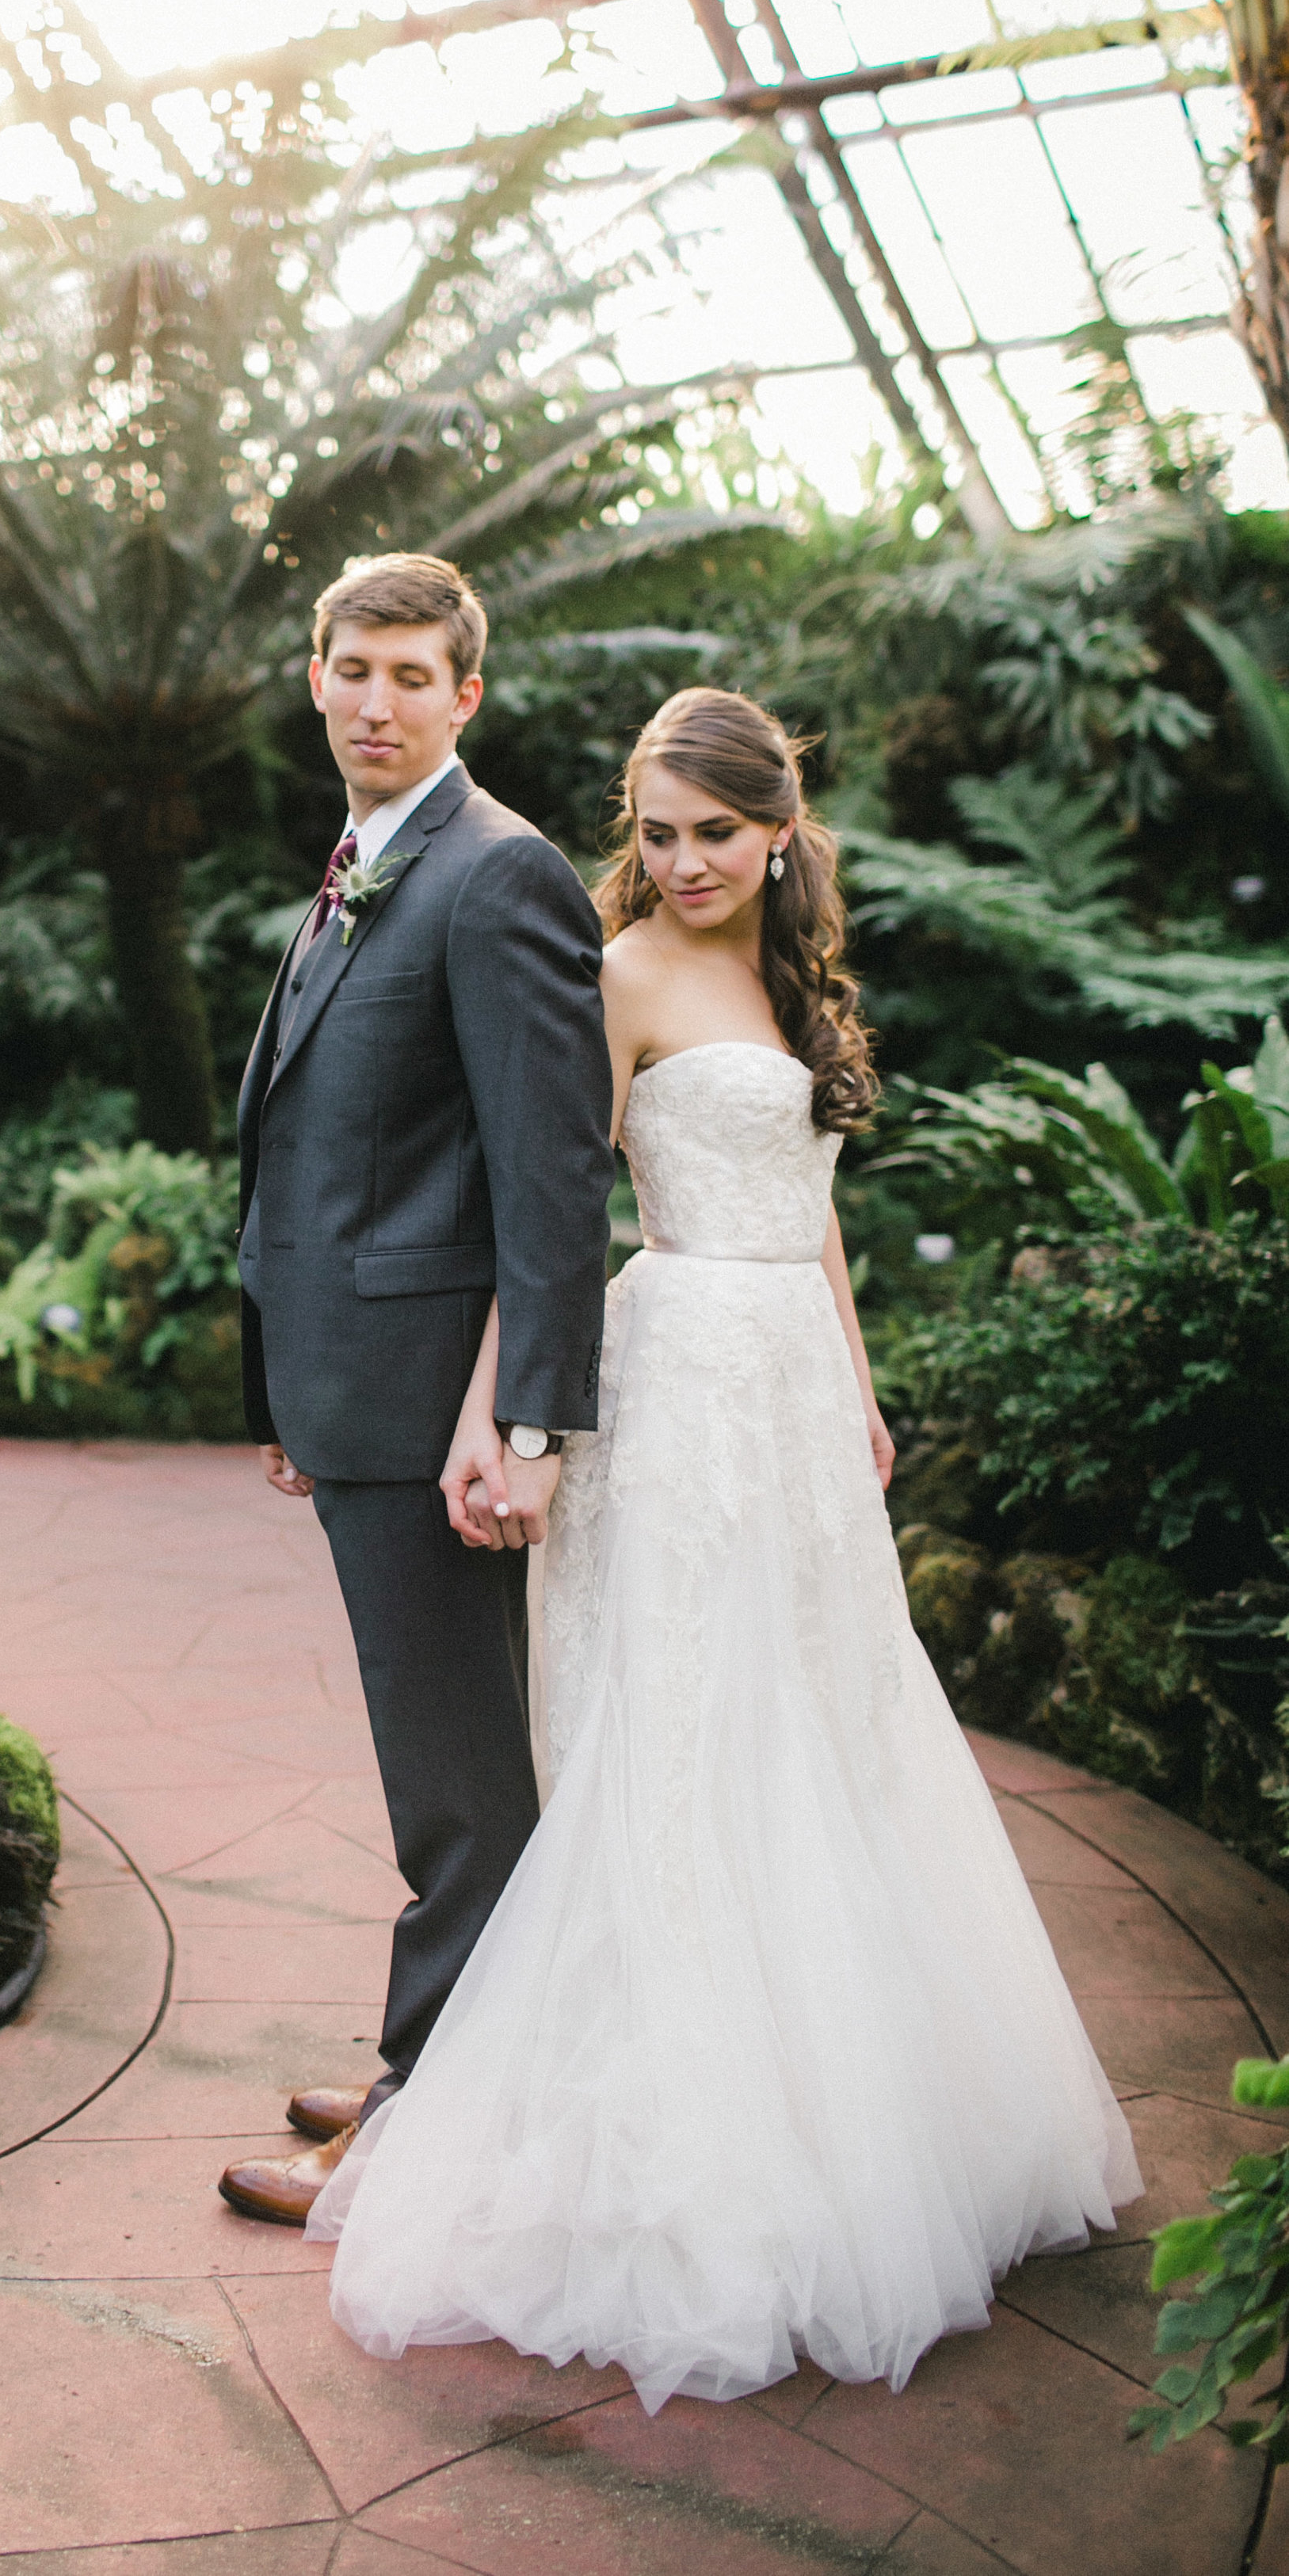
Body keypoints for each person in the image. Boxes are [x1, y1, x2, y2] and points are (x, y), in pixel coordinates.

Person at [307, 684, 1142, 2401]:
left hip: (790, 1396)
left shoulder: (800, 984)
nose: (680, 863)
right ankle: (655, 2133)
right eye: (656, 832)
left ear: (777, 831)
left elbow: (818, 1222)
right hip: (671, 1376)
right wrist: (498, 1416)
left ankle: (863, 2110)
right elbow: (537, 1199)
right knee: (678, 1738)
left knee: (826, 1723)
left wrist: (857, 1379)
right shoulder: (612, 974)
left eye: (711, 833)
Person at [216, 552, 616, 2227]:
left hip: (441, 1420)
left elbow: (549, 1179)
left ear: (467, 693)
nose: (374, 702)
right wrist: (291, 1386)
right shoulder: (367, 862)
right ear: (314, 678)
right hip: (357, 1390)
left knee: (455, 1779)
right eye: (350, 669)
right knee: (436, 1762)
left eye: (409, 675)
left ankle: (428, 2121)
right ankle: (446, 2066)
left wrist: (525, 1422)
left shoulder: (497, 876)